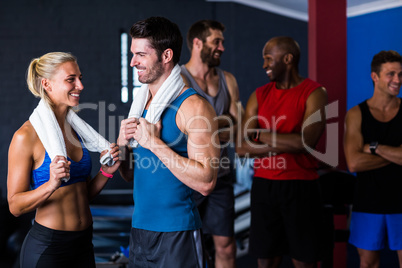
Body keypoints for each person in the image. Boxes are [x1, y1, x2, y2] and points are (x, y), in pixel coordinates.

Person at [117, 17, 220, 268]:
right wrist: (121, 145)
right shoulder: (141, 106)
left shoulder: (194, 107)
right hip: (140, 231)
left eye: (140, 54)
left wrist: (153, 143)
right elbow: (130, 174)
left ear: (166, 56)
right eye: (133, 54)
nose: (133, 62)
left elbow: (207, 182)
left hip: (178, 233)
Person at [7, 52, 121, 268]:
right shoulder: (25, 137)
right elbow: (15, 206)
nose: (80, 85)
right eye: (71, 79)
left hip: (84, 244)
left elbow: (81, 194)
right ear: (46, 84)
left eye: (80, 78)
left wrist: (107, 172)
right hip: (49, 248)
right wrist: (51, 184)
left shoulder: (75, 131)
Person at [236, 36, 328, 268]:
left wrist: (258, 135)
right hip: (264, 187)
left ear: (287, 59)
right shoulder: (259, 94)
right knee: (266, 261)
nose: (264, 65)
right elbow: (241, 147)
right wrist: (285, 141)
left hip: (301, 186)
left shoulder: (315, 92)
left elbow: (305, 142)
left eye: (269, 58)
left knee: (304, 260)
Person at [181, 19, 241, 268]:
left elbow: (239, 129)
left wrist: (203, 126)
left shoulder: (228, 80)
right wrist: (222, 123)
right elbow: (182, 130)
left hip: (221, 175)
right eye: (216, 41)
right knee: (185, 247)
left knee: (225, 246)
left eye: (223, 42)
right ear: (197, 43)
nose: (222, 47)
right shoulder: (179, 79)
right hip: (187, 176)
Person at [344, 50, 402, 268]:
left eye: (400, 74)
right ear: (374, 77)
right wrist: (396, 153)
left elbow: (362, 157)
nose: (397, 80)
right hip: (368, 202)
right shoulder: (356, 114)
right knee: (367, 263)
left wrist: (375, 148)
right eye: (391, 74)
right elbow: (354, 163)